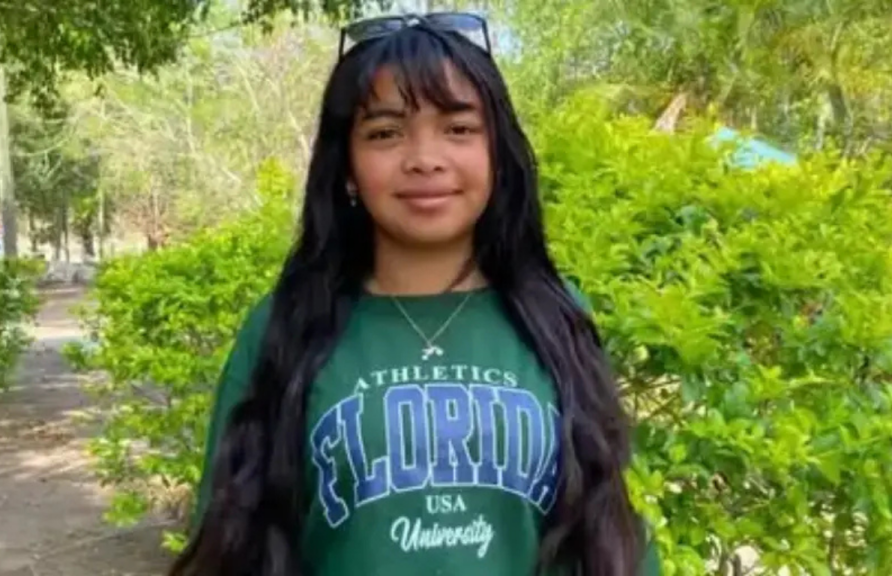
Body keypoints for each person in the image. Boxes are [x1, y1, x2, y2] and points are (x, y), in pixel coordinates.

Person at [170, 12, 661, 576]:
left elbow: (607, 526)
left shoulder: (555, 315)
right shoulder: (285, 324)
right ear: (347, 166)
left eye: (459, 128)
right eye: (385, 132)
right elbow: (231, 534)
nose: (425, 158)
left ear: (497, 153)